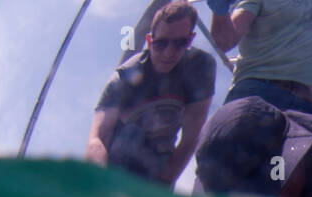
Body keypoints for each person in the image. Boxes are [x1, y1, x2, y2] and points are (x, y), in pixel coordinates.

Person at [86, 2, 216, 186]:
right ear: (149, 40)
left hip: (160, 157)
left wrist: (164, 183)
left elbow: (191, 136)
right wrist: (101, 182)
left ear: (191, 38)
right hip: (119, 155)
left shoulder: (200, 68)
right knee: (131, 137)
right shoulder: (123, 78)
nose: (169, 52)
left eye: (181, 43)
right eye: (161, 43)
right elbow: (97, 138)